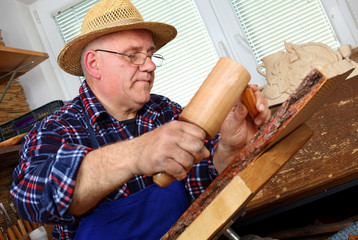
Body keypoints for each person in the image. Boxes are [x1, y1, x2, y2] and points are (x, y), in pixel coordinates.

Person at [10, 0, 271, 239]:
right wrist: (136, 154)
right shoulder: (57, 128)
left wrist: (229, 147)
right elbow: (29, 199)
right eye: (133, 55)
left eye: (150, 54)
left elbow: (196, 185)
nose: (150, 66)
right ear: (93, 64)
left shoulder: (164, 110)